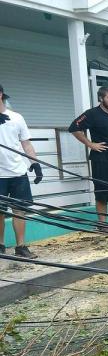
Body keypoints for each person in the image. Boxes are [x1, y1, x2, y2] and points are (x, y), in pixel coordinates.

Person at [69, 86, 108, 229]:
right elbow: (74, 128)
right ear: (101, 98)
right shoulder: (92, 114)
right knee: (102, 192)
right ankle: (102, 225)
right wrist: (90, 144)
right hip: (101, 159)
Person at [0, 84, 43, 259]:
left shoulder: (16, 118)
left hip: (18, 172)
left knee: (19, 210)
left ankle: (21, 247)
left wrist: (35, 164)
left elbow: (26, 143)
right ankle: (0, 246)